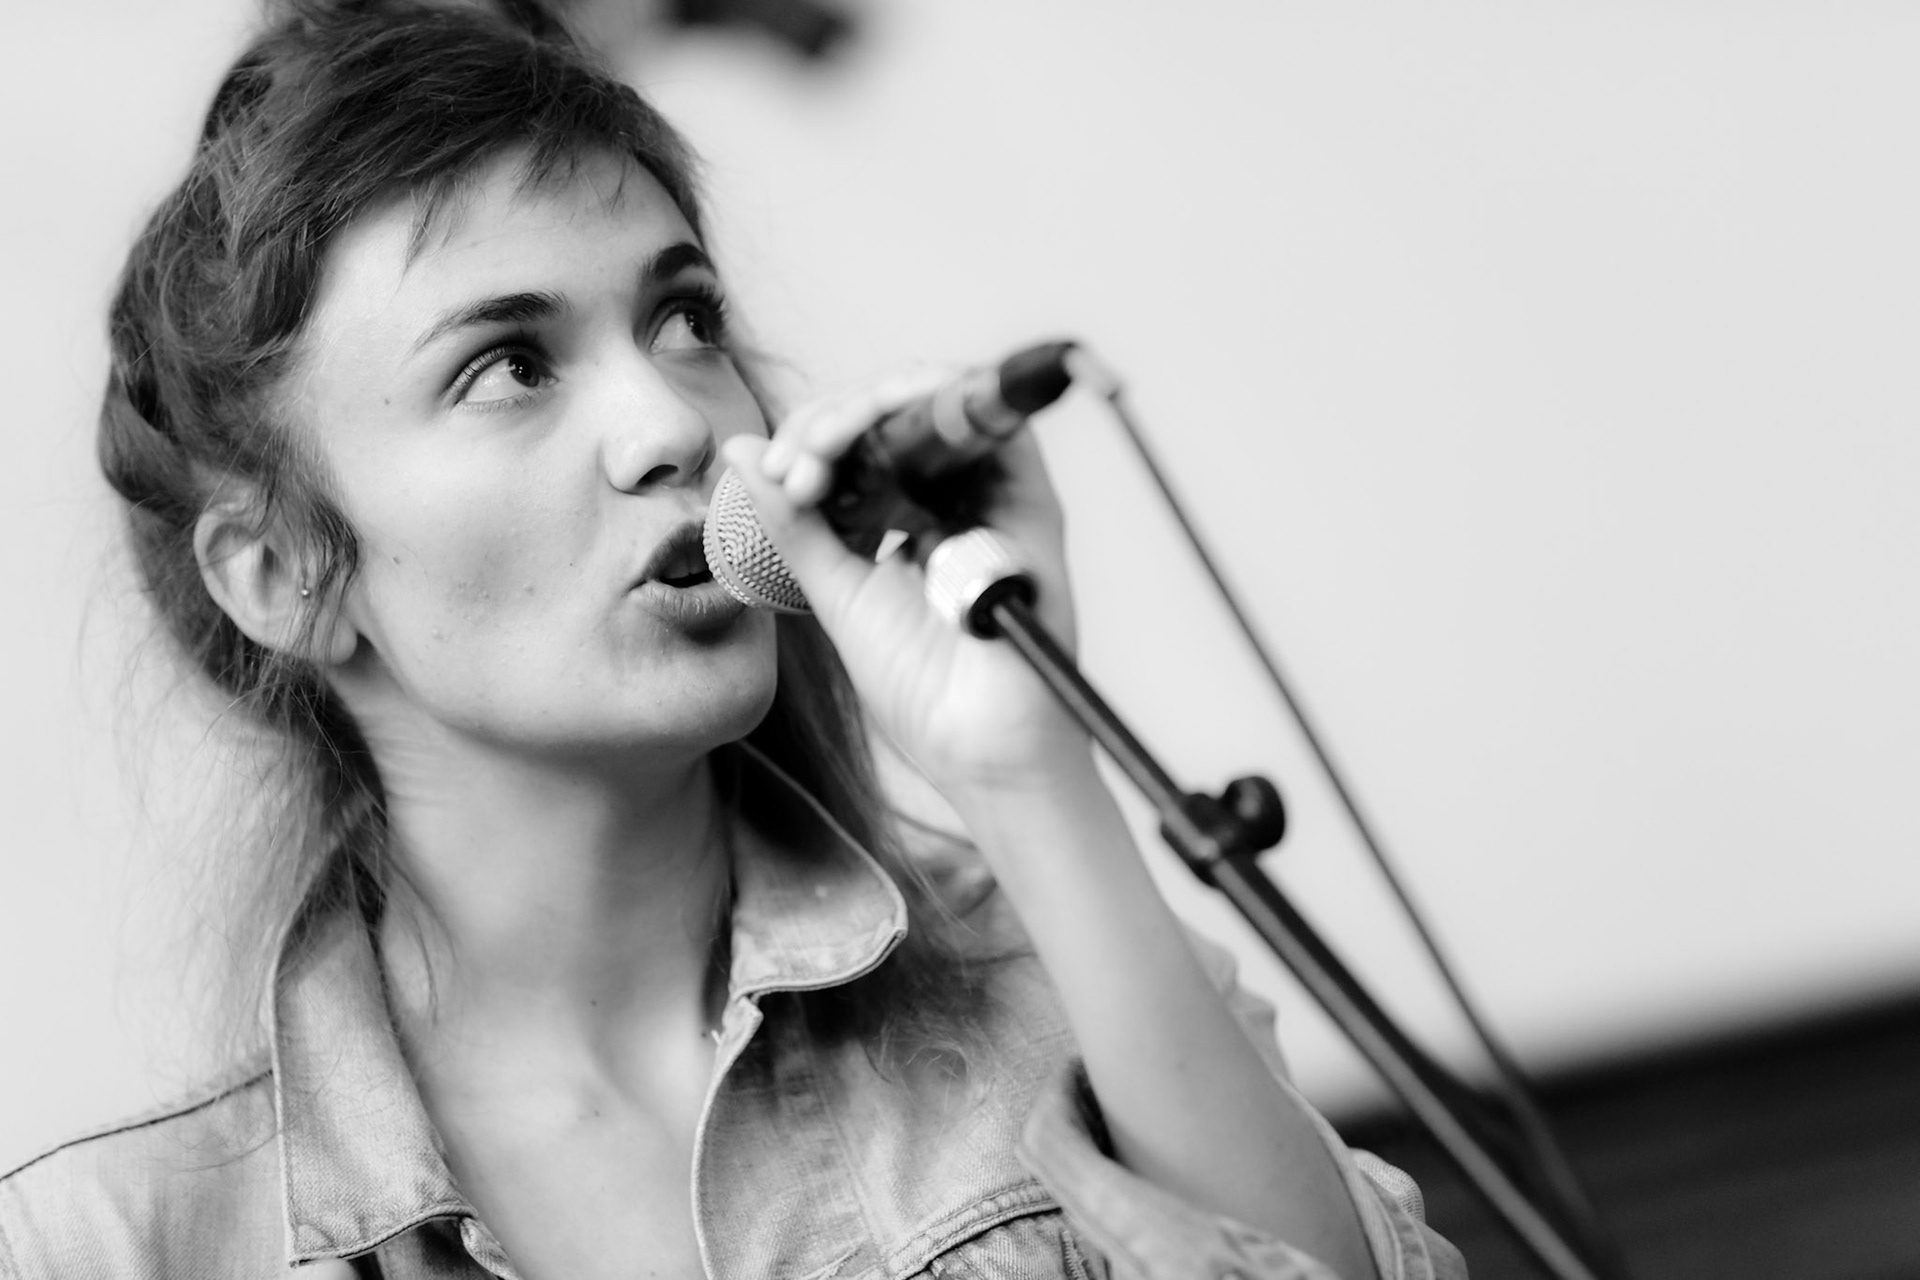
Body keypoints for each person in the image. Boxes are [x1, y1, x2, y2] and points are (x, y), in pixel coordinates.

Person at [0, 3, 1465, 1277]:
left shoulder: (1080, 1002)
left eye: (685, 320)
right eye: (508, 365)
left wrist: (1030, 770)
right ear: (281, 572)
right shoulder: (104, 1245)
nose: (675, 424)